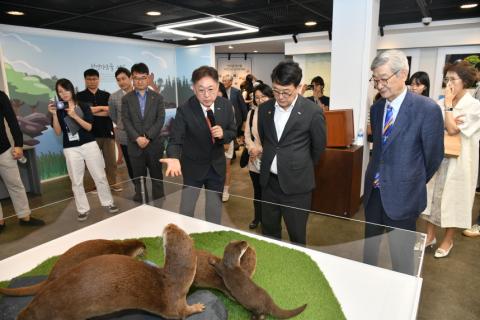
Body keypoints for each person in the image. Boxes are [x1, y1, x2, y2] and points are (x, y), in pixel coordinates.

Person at [363, 50, 444, 274]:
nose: (378, 85)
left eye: (383, 78)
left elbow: (433, 157)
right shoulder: (378, 108)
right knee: (369, 253)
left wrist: (409, 179)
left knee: (402, 261)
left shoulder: (427, 109)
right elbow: (379, 150)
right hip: (373, 194)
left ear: (403, 74)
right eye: (375, 79)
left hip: (404, 197)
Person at [257, 61, 326, 245]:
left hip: (297, 188)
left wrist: (298, 166)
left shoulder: (312, 112)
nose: (280, 96)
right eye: (275, 90)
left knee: (297, 235)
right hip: (269, 183)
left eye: (286, 91)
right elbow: (266, 139)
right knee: (269, 233)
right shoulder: (265, 109)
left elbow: (318, 148)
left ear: (298, 87)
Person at [161, 66, 236, 224]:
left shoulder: (226, 105)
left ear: (217, 86)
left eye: (211, 89)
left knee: (214, 209)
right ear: (193, 88)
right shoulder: (185, 110)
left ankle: (213, 235)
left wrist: (224, 134)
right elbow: (175, 139)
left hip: (217, 167)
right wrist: (173, 157)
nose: (207, 95)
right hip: (193, 168)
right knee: (187, 209)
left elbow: (232, 131)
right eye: (201, 90)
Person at [421, 61, 480, 256]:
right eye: (447, 79)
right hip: (439, 156)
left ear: (465, 82)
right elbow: (436, 127)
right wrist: (449, 116)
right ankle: (430, 235)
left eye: (453, 79)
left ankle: (448, 240)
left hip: (459, 161)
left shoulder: (474, 106)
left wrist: (448, 110)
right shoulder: (441, 102)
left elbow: (453, 129)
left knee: (453, 198)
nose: (449, 84)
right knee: (432, 197)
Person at [49, 79, 118, 221]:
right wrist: (55, 114)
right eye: (60, 91)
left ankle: (108, 203)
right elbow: (57, 131)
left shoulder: (84, 106)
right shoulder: (59, 109)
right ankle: (82, 209)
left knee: (99, 176)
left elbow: (89, 127)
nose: (64, 94)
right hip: (71, 148)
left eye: (66, 90)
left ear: (72, 89)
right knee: (76, 180)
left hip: (89, 144)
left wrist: (74, 116)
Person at [0, 91, 45, 232]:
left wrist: (18, 144)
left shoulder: (0, 96)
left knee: (16, 184)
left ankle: (25, 217)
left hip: (4, 149)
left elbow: (12, 120)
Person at [121, 63, 165, 202]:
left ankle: (159, 200)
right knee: (138, 177)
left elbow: (160, 119)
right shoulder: (126, 99)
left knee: (157, 176)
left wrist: (147, 137)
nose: (139, 81)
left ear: (148, 78)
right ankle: (140, 200)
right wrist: (137, 138)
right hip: (135, 146)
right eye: (136, 78)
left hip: (154, 145)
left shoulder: (157, 98)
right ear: (132, 79)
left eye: (143, 77)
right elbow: (125, 120)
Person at [76, 69, 121, 192]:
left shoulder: (106, 95)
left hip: (107, 133)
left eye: (94, 79)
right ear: (85, 80)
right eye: (89, 79)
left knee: (111, 161)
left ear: (99, 79)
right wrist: (101, 109)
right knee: (92, 163)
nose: (92, 81)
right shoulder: (79, 96)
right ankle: (94, 185)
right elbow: (82, 113)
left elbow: (110, 112)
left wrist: (93, 110)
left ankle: (112, 183)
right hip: (89, 135)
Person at [244, 83, 274, 229]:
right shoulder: (251, 114)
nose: (260, 100)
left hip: (270, 159)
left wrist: (260, 150)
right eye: (257, 97)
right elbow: (247, 136)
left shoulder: (275, 113)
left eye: (263, 96)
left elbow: (275, 139)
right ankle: (257, 218)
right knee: (257, 191)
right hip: (253, 159)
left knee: (269, 192)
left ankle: (269, 220)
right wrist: (251, 149)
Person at [109, 67, 134, 180]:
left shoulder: (140, 92)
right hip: (124, 137)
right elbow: (114, 117)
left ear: (130, 78)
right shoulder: (113, 97)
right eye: (118, 80)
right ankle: (138, 189)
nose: (121, 82)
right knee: (130, 164)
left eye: (123, 78)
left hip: (143, 136)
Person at [218, 82, 234, 202]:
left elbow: (232, 126)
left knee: (226, 167)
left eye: (218, 90)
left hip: (226, 140)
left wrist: (227, 141)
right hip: (212, 144)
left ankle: (226, 189)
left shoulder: (228, 106)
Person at [222, 74, 248, 138]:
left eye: (225, 81)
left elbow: (243, 106)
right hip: (224, 119)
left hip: (236, 119)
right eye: (223, 81)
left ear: (231, 82)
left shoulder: (236, 92)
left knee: (236, 137)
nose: (223, 83)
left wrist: (245, 120)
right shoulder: (220, 92)